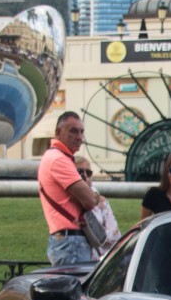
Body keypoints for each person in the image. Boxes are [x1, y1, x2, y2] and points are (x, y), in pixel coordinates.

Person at [38, 111, 100, 265]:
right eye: (73, 131)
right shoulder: (59, 159)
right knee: (75, 287)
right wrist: (91, 194)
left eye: (81, 131)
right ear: (58, 132)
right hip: (71, 242)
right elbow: (91, 200)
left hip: (67, 240)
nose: (79, 137)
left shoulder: (56, 158)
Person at [74, 156, 121, 259]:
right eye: (80, 172)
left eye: (88, 173)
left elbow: (115, 234)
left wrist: (99, 235)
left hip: (102, 258)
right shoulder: (69, 200)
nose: (85, 176)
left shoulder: (101, 201)